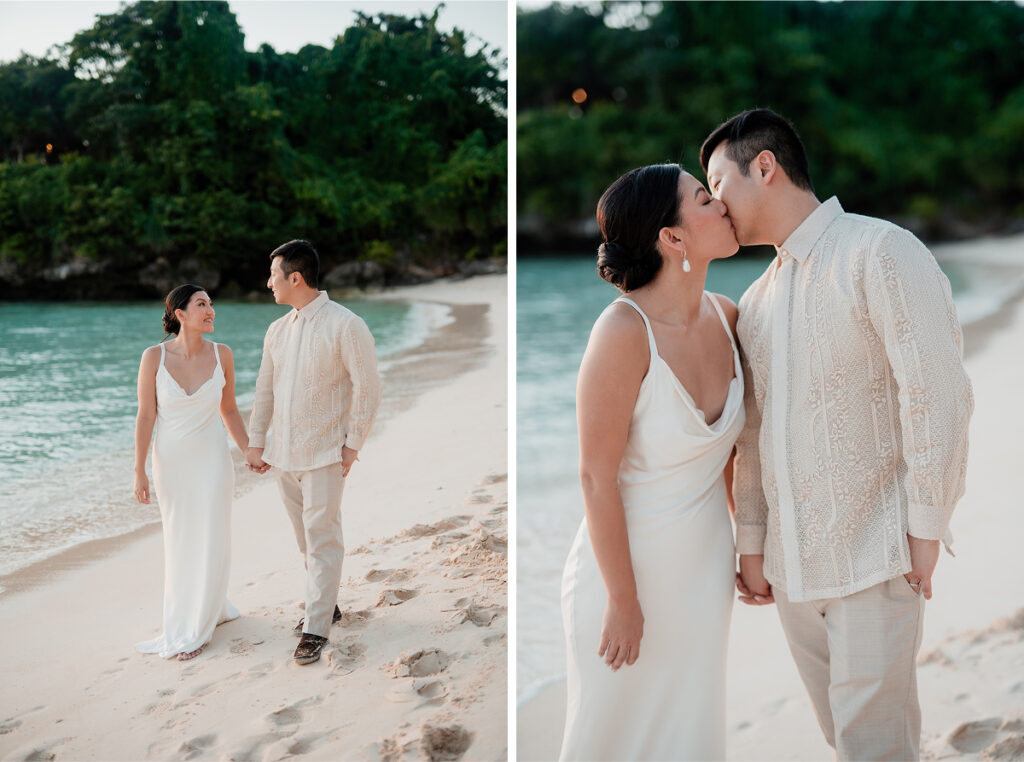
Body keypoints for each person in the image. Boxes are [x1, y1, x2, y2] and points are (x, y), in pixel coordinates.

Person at [701, 108, 973, 761]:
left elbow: (936, 391)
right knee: (840, 737)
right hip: (793, 572)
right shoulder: (757, 302)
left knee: (873, 744)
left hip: (878, 553)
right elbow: (753, 440)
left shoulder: (881, 250)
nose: (714, 204)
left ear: (763, 166)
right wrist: (754, 545)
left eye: (718, 183)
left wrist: (926, 527)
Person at [560, 164, 743, 761]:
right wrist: (623, 600)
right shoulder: (622, 330)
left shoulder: (728, 316)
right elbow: (594, 474)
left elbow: (729, 457)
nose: (721, 204)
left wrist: (753, 545)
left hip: (703, 574)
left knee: (690, 734)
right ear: (673, 237)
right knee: (611, 740)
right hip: (622, 580)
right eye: (703, 198)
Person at [246, 239, 382, 666]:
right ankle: (329, 604)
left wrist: (352, 444)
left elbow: (368, 388)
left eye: (273, 275)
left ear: (295, 278)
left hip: (325, 453)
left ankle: (316, 626)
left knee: (323, 538)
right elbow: (265, 389)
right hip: (284, 455)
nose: (269, 283)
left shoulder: (346, 325)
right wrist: (256, 441)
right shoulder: (277, 330)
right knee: (305, 539)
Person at [133, 284, 249, 661]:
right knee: (180, 539)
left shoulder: (223, 355)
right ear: (180, 314)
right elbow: (146, 414)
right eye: (202, 304)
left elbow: (228, 409)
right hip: (171, 463)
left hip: (213, 460)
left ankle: (200, 624)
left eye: (212, 303)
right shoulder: (153, 357)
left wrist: (249, 449)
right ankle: (192, 614)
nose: (211, 310)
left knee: (213, 534)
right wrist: (139, 470)